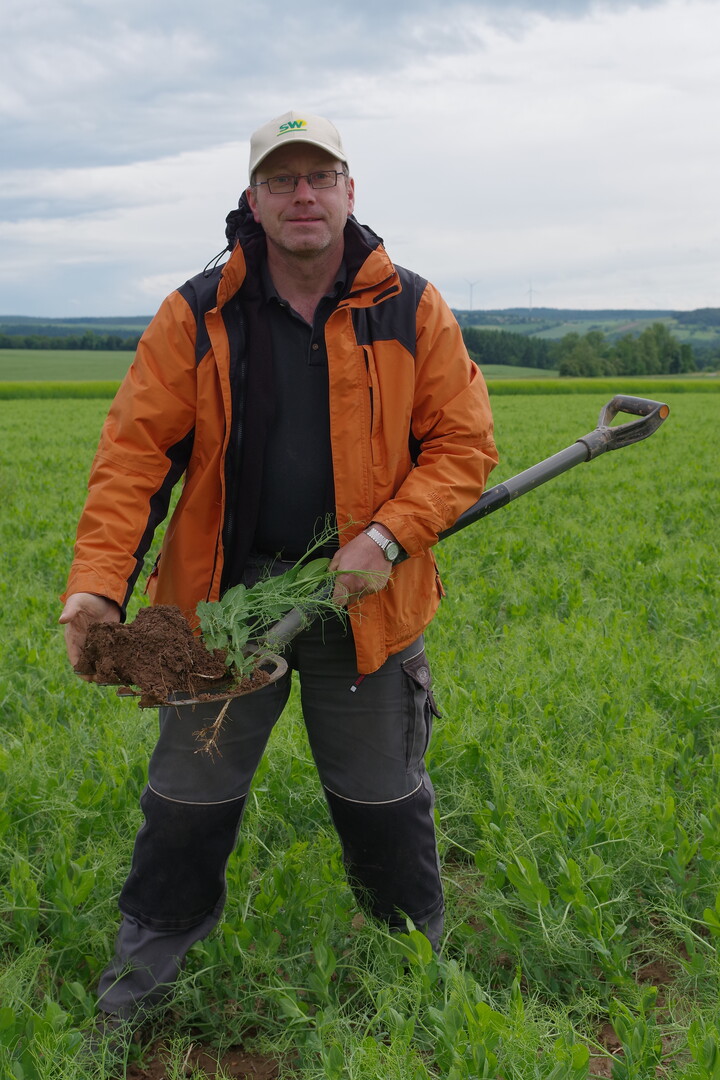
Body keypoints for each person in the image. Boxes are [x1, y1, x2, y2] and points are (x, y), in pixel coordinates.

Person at [60, 110, 498, 1026]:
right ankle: (133, 999)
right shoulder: (198, 313)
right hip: (226, 610)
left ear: (348, 189)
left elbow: (462, 447)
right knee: (187, 799)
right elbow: (134, 455)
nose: (303, 195)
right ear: (253, 199)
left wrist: (382, 541)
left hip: (370, 605)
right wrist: (98, 582)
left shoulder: (411, 307)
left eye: (320, 176)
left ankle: (415, 984)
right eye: (282, 179)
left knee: (382, 799)